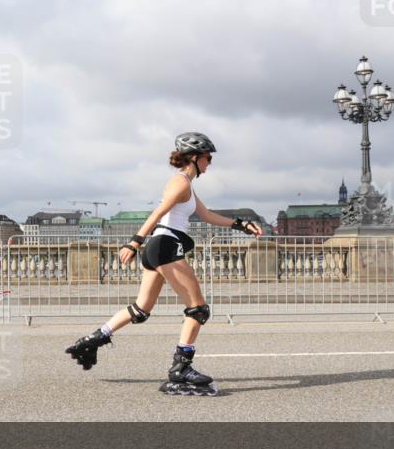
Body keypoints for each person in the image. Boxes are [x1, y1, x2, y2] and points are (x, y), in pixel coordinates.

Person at [65, 132, 262, 396]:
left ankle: (92, 340)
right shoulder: (179, 184)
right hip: (166, 245)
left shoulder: (187, 186)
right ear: (194, 158)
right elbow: (157, 213)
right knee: (198, 309)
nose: (210, 162)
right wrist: (133, 243)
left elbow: (207, 215)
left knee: (140, 310)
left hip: (158, 247)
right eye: (207, 157)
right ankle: (181, 370)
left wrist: (241, 225)